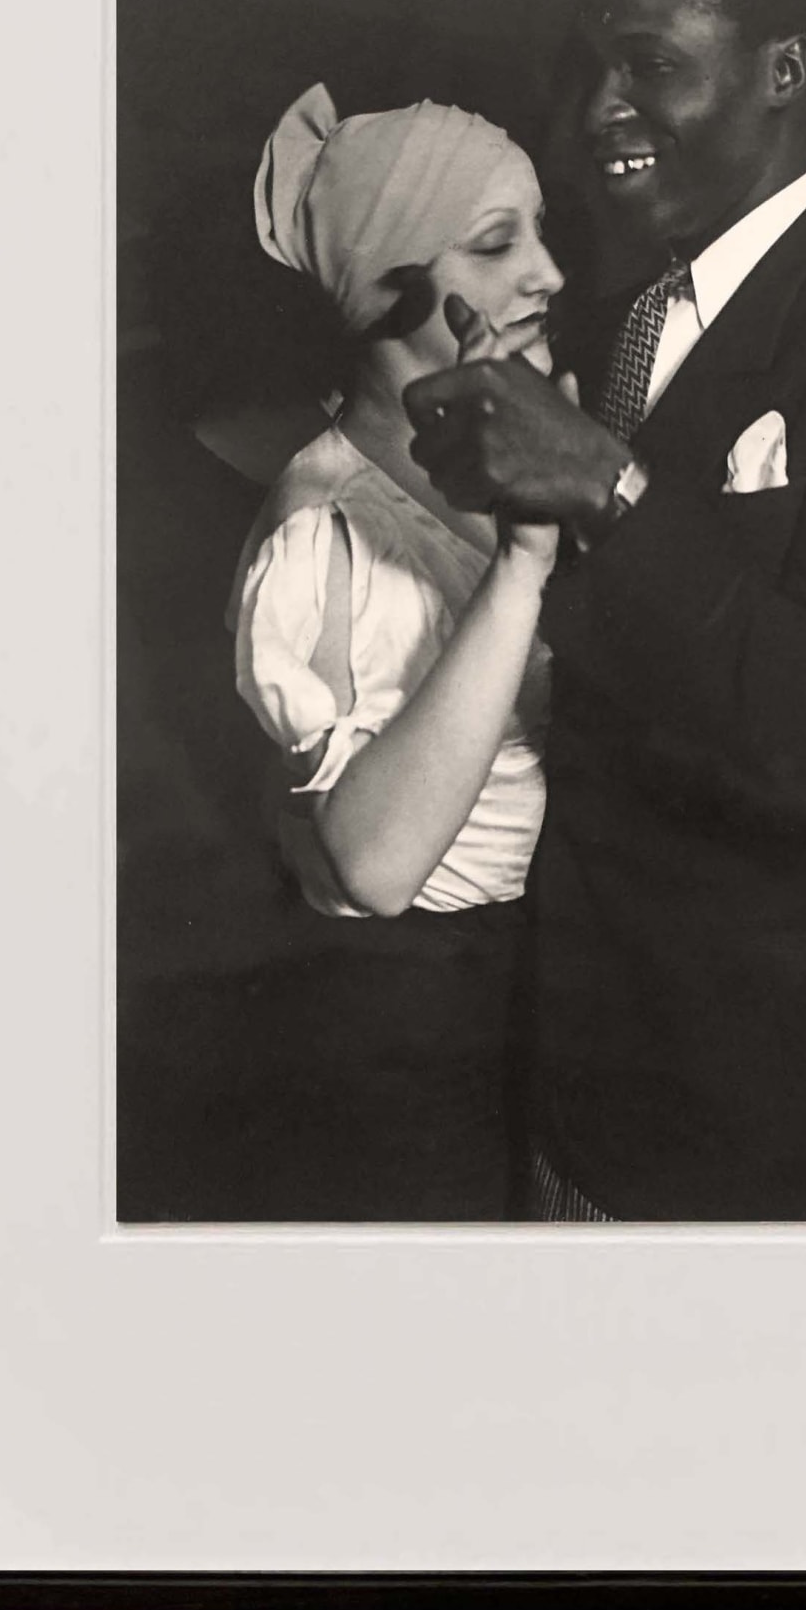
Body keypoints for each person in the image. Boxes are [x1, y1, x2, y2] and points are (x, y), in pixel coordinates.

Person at [406, 0, 806, 1222]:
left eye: (650, 64)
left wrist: (607, 487)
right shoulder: (614, 314)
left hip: (762, 1143)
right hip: (568, 1092)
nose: (597, 110)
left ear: (786, 68)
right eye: (586, 71)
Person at [227, 83, 566, 1220]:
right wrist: (522, 569)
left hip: (530, 987)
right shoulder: (324, 531)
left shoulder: (488, 457)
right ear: (385, 293)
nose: (548, 273)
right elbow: (375, 867)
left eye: (541, 230)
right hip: (412, 1028)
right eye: (496, 241)